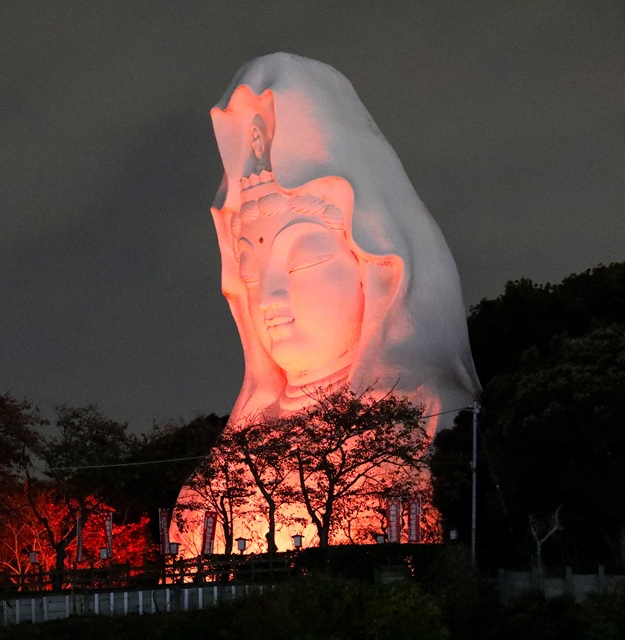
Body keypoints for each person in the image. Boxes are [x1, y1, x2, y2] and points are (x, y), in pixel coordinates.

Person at [173, 53, 481, 555]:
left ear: (374, 265)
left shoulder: (424, 418)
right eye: (250, 269)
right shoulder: (238, 452)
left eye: (303, 264)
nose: (271, 298)